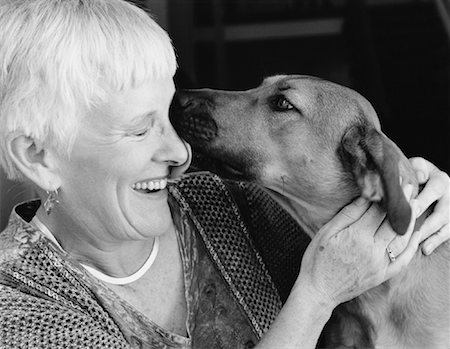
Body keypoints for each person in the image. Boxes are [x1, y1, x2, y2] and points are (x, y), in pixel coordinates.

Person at [0, 1, 448, 348]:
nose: (180, 152)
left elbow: (363, 230)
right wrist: (315, 296)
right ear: (39, 156)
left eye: (169, 117)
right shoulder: (21, 307)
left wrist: (431, 199)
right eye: (139, 130)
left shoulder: (226, 205)